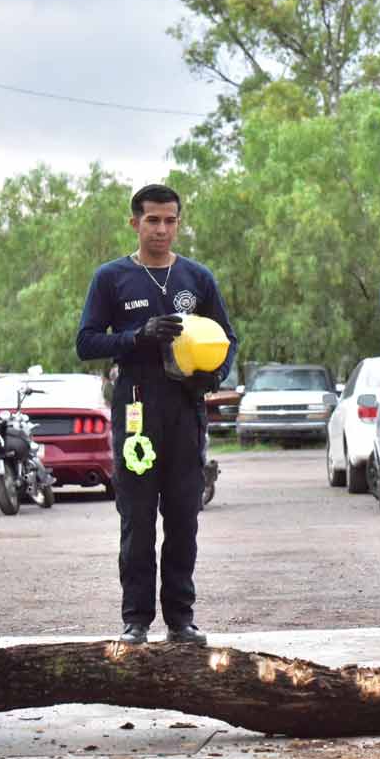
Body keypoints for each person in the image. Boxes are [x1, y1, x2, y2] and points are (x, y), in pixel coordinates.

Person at [76, 183, 237, 645]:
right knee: (138, 519)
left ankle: (181, 619)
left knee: (184, 517)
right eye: (152, 220)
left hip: (186, 409)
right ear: (135, 223)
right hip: (136, 410)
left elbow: (228, 339)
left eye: (169, 220)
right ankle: (136, 620)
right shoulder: (112, 278)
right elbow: (86, 342)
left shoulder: (197, 278)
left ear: (178, 223)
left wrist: (211, 378)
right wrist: (137, 336)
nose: (161, 229)